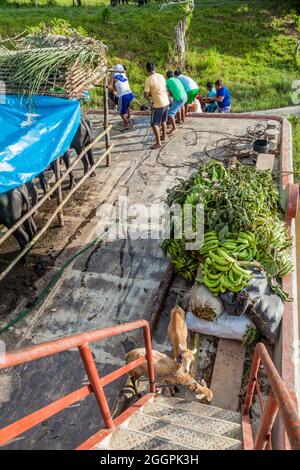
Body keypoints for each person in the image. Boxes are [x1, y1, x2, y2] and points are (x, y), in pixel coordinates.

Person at [144, 62, 170, 149]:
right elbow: (165, 88)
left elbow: (146, 95)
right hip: (166, 101)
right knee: (163, 121)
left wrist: (151, 96)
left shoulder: (149, 80)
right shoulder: (161, 76)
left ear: (147, 70)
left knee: (153, 123)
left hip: (158, 104)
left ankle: (158, 142)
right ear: (154, 68)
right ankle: (164, 137)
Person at [113, 64, 134, 128]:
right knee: (128, 105)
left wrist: (113, 88)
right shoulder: (125, 76)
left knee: (120, 111)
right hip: (130, 94)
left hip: (123, 96)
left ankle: (126, 122)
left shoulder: (114, 77)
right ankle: (129, 117)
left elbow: (112, 87)